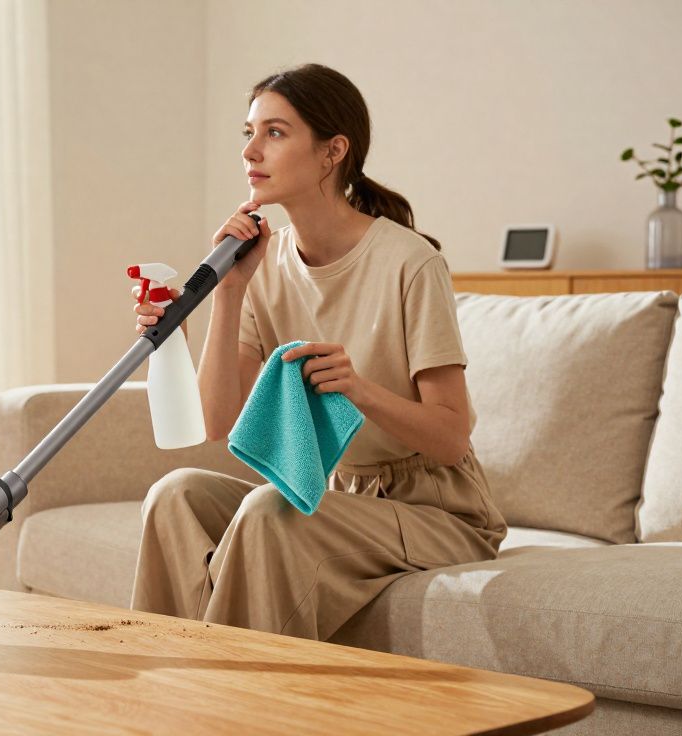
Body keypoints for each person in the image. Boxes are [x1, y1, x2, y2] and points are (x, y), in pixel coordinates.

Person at [127, 63, 507, 642]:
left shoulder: (411, 263)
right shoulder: (263, 264)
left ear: (333, 152)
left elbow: (453, 437)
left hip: (441, 513)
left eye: (274, 133)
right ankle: (168, 682)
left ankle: (229, 706)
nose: (251, 151)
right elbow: (215, 422)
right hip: (337, 496)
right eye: (248, 133)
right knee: (175, 494)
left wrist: (360, 390)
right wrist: (227, 291)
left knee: (267, 512)